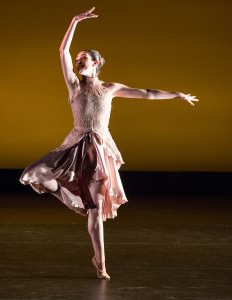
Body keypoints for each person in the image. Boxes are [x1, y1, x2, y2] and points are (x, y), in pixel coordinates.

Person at [19, 7, 199, 280]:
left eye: (84, 59)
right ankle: (70, 196)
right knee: (31, 175)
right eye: (78, 59)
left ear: (96, 63)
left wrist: (176, 95)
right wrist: (74, 21)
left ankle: (100, 263)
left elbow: (147, 94)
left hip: (98, 150)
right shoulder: (74, 87)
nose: (79, 62)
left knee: (95, 213)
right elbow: (62, 53)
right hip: (74, 145)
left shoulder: (110, 88)